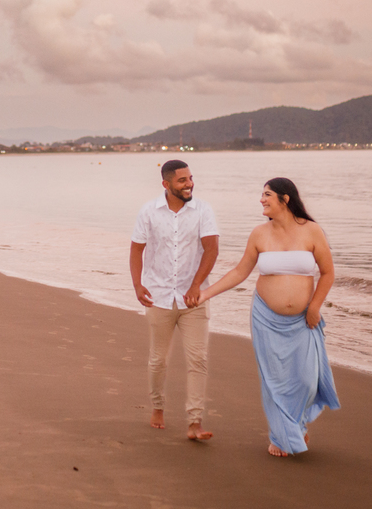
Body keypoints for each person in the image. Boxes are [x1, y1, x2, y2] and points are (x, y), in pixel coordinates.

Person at [200, 177, 339, 457]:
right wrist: (205, 294)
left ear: (285, 199)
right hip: (266, 317)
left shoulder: (312, 231)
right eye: (262, 195)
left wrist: (314, 307)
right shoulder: (259, 234)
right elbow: (240, 272)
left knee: (307, 380)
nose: (262, 200)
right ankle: (281, 435)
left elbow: (327, 272)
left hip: (303, 319)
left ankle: (295, 423)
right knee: (274, 381)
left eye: (267, 195)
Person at [129, 160, 220, 441]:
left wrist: (195, 285)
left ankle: (194, 422)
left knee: (198, 360)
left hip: (194, 299)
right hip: (159, 297)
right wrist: (137, 285)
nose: (189, 184)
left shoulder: (203, 210)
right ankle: (157, 407)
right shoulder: (149, 211)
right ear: (166, 185)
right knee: (159, 359)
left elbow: (211, 249)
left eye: (190, 178)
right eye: (182, 180)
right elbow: (136, 251)